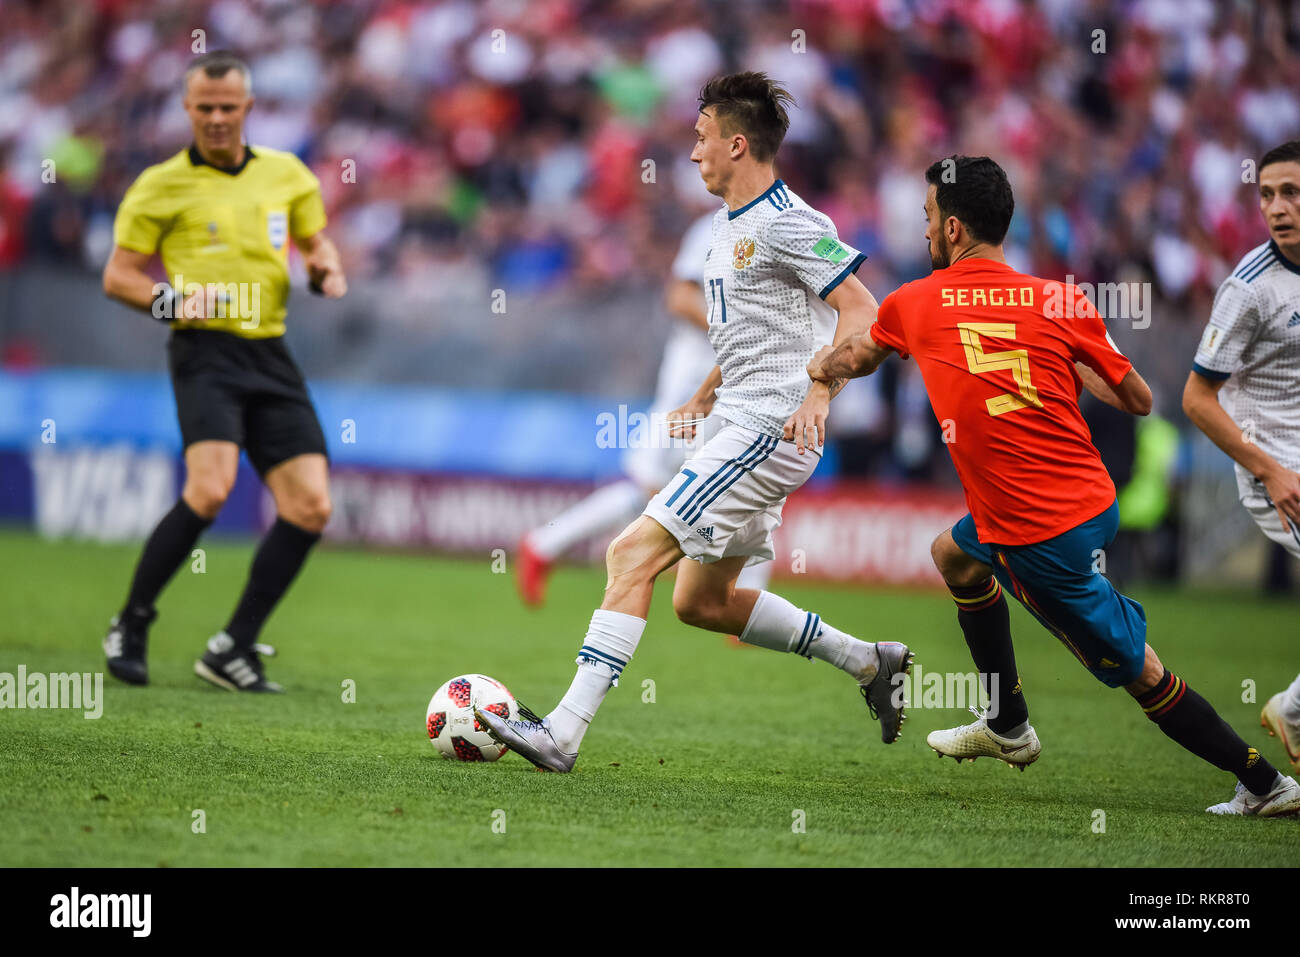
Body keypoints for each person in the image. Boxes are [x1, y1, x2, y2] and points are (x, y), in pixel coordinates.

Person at [809, 155, 1299, 816]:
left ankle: (1266, 784)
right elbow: (1138, 396)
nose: (924, 230)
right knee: (952, 554)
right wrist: (1058, 365)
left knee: (1144, 673)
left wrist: (820, 364)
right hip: (1092, 501)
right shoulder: (1059, 298)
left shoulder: (916, 302)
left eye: (928, 218)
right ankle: (1007, 721)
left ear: (954, 229)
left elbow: (857, 357)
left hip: (1036, 532)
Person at [476, 72, 910, 772]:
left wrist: (820, 391)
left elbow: (867, 313)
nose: (692, 152)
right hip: (736, 418)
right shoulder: (722, 226)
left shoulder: (790, 222)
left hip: (768, 428)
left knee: (628, 553)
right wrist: (707, 392)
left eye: (702, 138)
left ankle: (560, 733)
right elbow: (752, 333)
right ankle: (869, 661)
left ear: (738, 144)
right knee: (701, 602)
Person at [101, 51, 347, 693]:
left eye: (227, 107)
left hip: (270, 351)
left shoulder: (288, 175)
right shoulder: (160, 184)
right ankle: (132, 621)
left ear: (247, 108)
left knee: (312, 505)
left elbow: (316, 241)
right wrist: (171, 301)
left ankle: (232, 646)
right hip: (204, 350)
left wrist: (326, 267)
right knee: (210, 488)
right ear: (187, 109)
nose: (215, 118)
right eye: (204, 107)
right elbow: (118, 274)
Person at [516, 210, 772, 607]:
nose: (699, 156)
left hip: (745, 376)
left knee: (744, 476)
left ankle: (544, 545)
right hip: (696, 378)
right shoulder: (715, 228)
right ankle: (545, 545)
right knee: (655, 487)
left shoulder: (783, 225)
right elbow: (680, 296)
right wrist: (740, 333)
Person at [1183, 139, 1300, 772]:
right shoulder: (1249, 289)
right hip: (1273, 467)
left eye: (1292, 193)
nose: (1277, 208)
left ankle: (1294, 709)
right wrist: (1270, 470)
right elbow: (1197, 399)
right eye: (1267, 195)